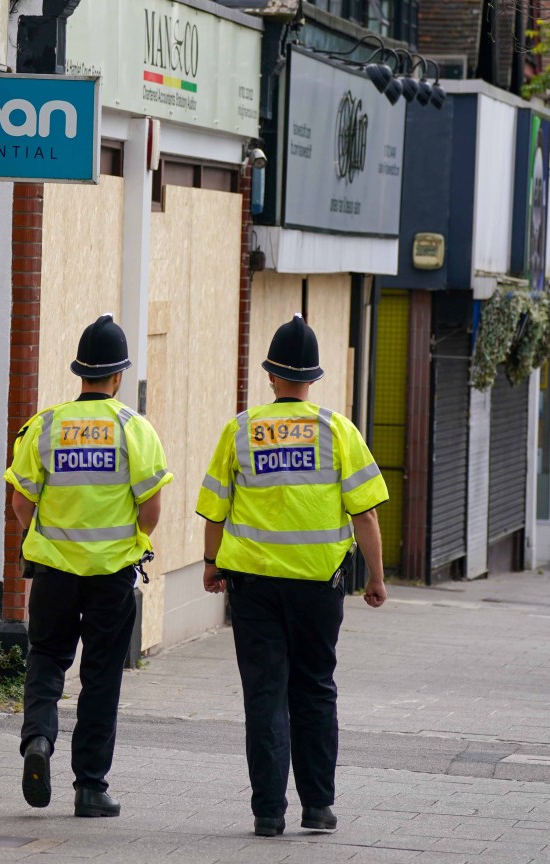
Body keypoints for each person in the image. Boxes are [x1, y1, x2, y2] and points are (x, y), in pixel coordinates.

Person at [195, 313, 388, 838]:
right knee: (315, 689)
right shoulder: (337, 430)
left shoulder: (241, 429)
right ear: (313, 379)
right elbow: (365, 513)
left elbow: (215, 509)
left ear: (272, 376)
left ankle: (267, 812)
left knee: (264, 692)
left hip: (253, 587)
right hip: (318, 587)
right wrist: (376, 576)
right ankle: (319, 807)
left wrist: (212, 565)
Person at [5, 313, 172, 818]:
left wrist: (51, 535)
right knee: (101, 676)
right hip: (111, 577)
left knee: (47, 659)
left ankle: (38, 739)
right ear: (118, 375)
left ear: (81, 371)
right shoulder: (134, 429)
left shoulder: (46, 425)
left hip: (54, 572)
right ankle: (90, 787)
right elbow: (152, 510)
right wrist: (129, 541)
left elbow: (20, 502)